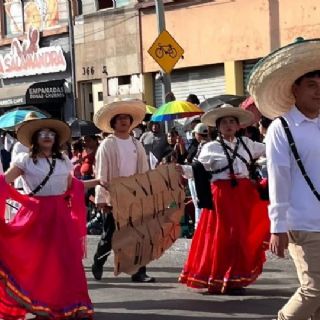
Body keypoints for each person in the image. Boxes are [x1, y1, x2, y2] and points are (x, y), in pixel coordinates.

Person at [248, 38, 320, 320]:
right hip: (302, 223)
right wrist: (277, 227)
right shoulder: (282, 128)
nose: (318, 91)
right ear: (295, 89)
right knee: (314, 290)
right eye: (311, 85)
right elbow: (279, 178)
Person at [0, 118, 98, 319]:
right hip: (35, 218)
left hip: (61, 218)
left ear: (56, 138)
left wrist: (98, 182)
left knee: (66, 262)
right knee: (40, 264)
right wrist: (21, 199)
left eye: (51, 133)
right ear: (35, 138)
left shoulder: (62, 161)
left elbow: (74, 186)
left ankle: (66, 304)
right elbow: (4, 182)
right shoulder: (25, 160)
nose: (47, 136)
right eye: (42, 133)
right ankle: (41, 305)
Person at [178, 104, 269, 294]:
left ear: (238, 126)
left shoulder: (248, 144)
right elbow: (198, 170)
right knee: (223, 238)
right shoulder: (211, 147)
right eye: (224, 122)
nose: (228, 125)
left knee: (242, 237)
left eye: (232, 122)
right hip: (221, 197)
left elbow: (272, 151)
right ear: (217, 127)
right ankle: (220, 277)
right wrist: (180, 170)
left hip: (244, 196)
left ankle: (236, 277)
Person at [92, 99, 155, 283]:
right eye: (119, 118)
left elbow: (144, 171)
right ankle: (98, 261)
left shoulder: (137, 144)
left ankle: (139, 271)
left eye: (126, 118)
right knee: (110, 235)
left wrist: (146, 193)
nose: (123, 121)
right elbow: (101, 172)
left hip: (135, 196)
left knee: (139, 235)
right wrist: (102, 198)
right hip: (115, 196)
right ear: (113, 123)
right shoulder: (107, 144)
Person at [186, 122, 209, 229]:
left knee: (198, 203)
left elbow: (197, 162)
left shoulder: (204, 145)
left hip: (198, 177)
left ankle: (199, 226)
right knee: (198, 203)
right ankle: (199, 225)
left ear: (198, 134)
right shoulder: (206, 144)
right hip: (198, 177)